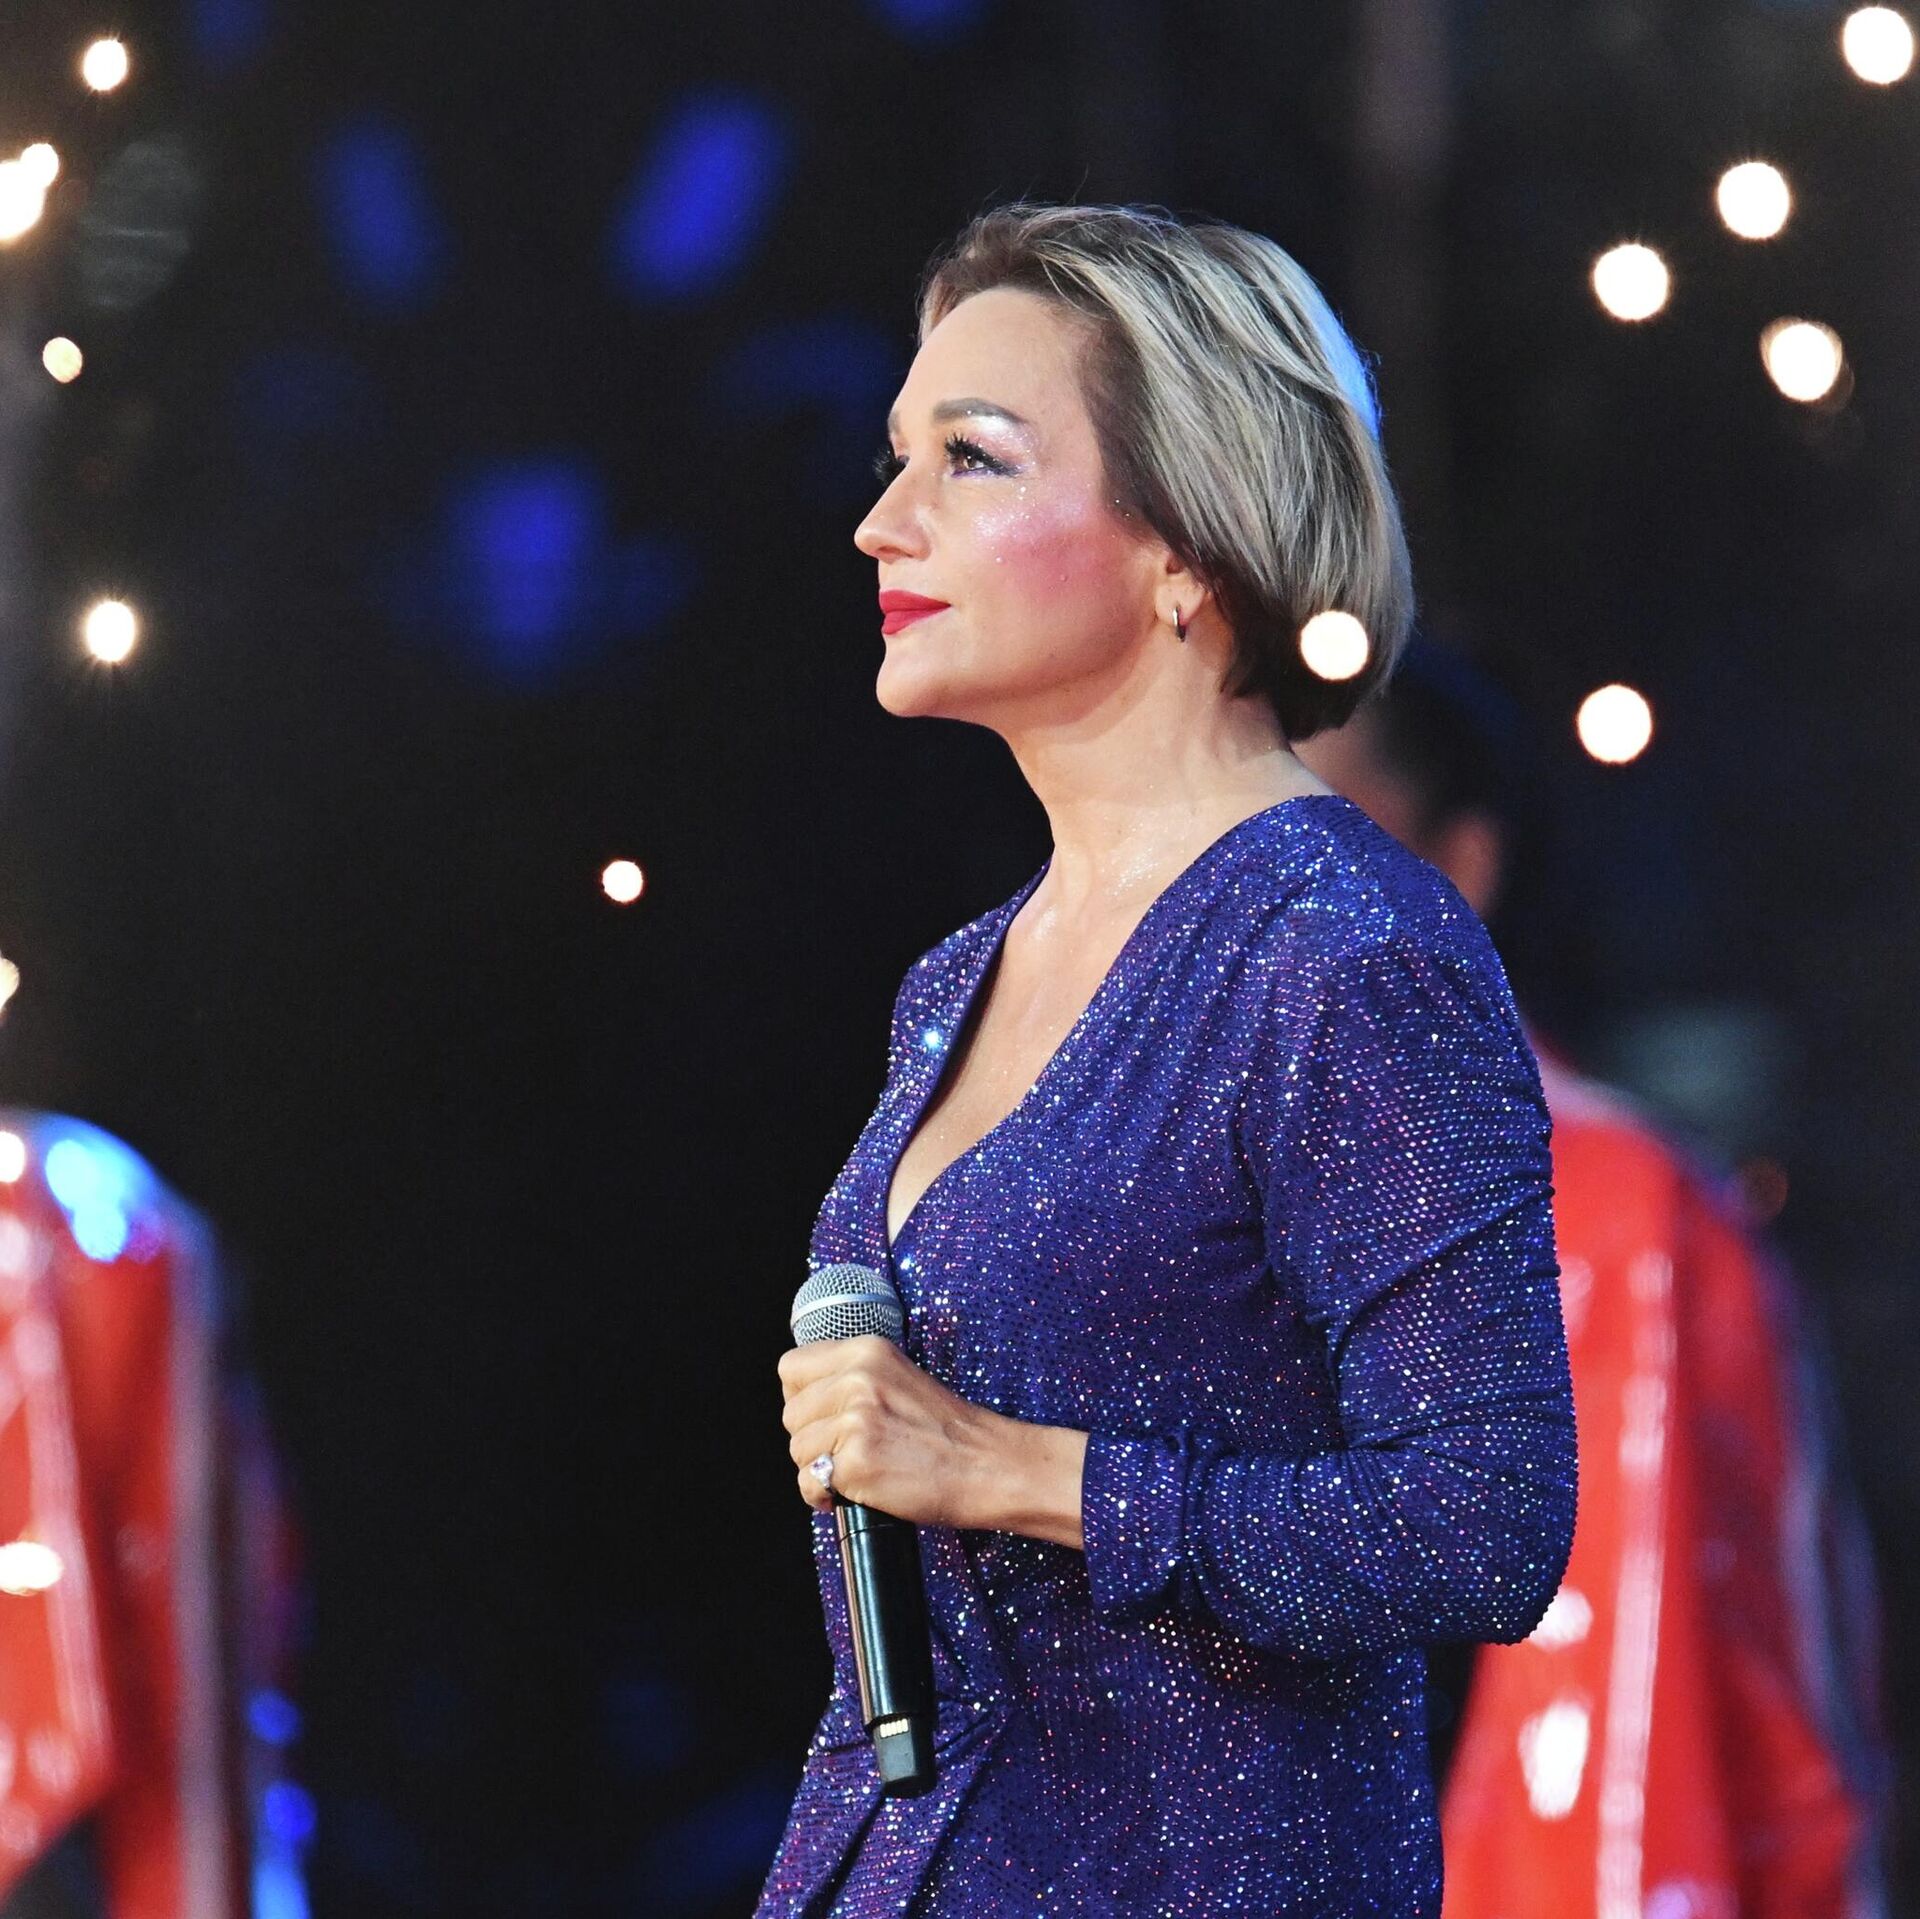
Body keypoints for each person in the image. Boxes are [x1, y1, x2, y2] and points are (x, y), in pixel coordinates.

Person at [757, 200, 1577, 1917]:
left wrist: (1014, 1469)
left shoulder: (1347, 948)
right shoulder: (955, 977)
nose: (883, 520)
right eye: (898, 457)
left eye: (971, 458)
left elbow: (1486, 1518)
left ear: (1186, 546)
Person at [1298, 644, 1891, 1919]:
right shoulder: (1201, 1212)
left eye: (1321, 829)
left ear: (1459, 869)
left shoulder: (1612, 1214)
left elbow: (1639, 1769)